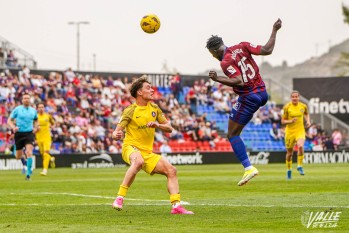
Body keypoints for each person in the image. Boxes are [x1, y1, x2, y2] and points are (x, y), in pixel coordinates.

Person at [206, 18, 282, 186]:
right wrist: (275, 30)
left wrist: (218, 78)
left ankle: (248, 168)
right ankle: (248, 167)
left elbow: (239, 81)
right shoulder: (242, 45)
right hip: (263, 92)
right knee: (235, 130)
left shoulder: (225, 62)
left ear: (214, 50)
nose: (212, 56)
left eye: (211, 53)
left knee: (232, 134)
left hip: (249, 97)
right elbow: (267, 50)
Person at [111, 76, 193, 215]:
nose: (152, 90)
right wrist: (116, 135)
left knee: (171, 171)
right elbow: (116, 132)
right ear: (139, 92)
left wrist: (158, 125)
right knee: (138, 161)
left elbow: (169, 128)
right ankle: (119, 198)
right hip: (130, 147)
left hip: (147, 152)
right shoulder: (130, 110)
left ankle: (176, 206)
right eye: (148, 88)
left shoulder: (154, 108)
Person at [7, 93, 38, 180]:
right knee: (17, 156)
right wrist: (13, 127)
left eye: (28, 98)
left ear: (30, 99)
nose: (26, 99)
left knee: (29, 152)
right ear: (22, 100)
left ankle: (28, 174)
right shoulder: (17, 109)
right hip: (19, 134)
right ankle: (17, 149)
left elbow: (36, 120)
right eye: (25, 98)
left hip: (29, 134)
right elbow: (9, 120)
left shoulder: (33, 111)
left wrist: (35, 128)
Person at [281, 91, 311, 179]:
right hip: (290, 132)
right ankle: (289, 170)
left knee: (300, 146)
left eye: (296, 96)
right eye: (293, 97)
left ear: (299, 97)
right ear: (291, 98)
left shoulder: (303, 106)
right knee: (289, 153)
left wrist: (308, 121)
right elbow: (282, 121)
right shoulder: (287, 107)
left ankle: (300, 166)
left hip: (300, 130)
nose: (294, 98)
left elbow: (306, 114)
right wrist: (290, 121)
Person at [36, 103, 56, 176]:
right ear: (37, 109)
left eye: (42, 107)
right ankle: (51, 159)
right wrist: (35, 129)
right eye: (39, 107)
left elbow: (53, 123)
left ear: (44, 108)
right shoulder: (35, 117)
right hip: (39, 138)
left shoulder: (48, 116)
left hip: (47, 137)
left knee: (45, 153)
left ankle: (45, 170)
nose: (41, 108)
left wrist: (51, 126)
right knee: (43, 154)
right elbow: (32, 126)